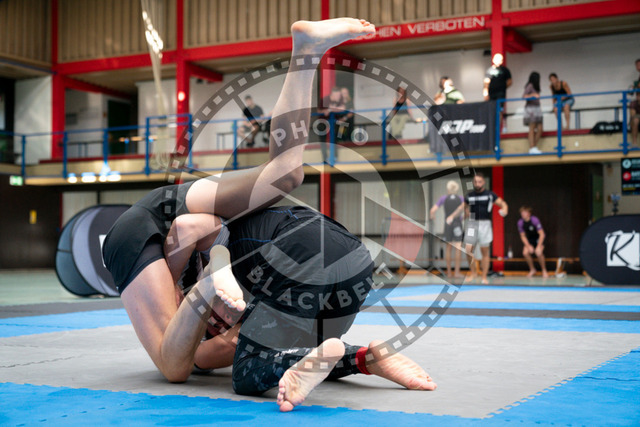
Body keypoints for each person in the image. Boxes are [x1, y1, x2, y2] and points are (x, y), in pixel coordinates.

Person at [102, 18, 378, 385]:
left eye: (222, 324)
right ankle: (306, 54)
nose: (227, 324)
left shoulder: (211, 309)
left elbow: (188, 227)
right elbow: (232, 342)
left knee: (174, 365)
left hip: (156, 224)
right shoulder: (235, 309)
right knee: (287, 173)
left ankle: (306, 52)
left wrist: (191, 282)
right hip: (176, 218)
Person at [222, 205, 437, 411]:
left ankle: (306, 361)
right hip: (355, 257)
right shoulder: (252, 221)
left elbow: (219, 347)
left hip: (300, 251)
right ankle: (366, 358)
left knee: (246, 368)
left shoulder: (221, 248)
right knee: (315, 350)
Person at [448, 172, 508, 284]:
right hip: (472, 224)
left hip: (485, 224)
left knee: (485, 251)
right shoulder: (470, 196)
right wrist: (452, 216)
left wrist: (504, 210)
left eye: (479, 181)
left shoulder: (490, 195)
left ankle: (484, 277)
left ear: (483, 182)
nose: (477, 184)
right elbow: (461, 207)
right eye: (475, 182)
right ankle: (473, 272)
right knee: (468, 249)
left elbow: (503, 204)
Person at [430, 180, 464, 278]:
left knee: (448, 248)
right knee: (458, 248)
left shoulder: (443, 198)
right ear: (456, 189)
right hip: (457, 223)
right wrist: (461, 218)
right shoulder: (461, 198)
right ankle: (457, 272)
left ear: (448, 189)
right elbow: (467, 210)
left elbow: (432, 210)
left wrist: (432, 216)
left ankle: (449, 272)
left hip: (448, 224)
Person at [483, 53, 512, 131]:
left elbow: (509, 81)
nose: (499, 61)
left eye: (500, 59)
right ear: (493, 60)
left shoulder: (505, 70)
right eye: (497, 59)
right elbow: (486, 83)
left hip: (500, 94)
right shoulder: (489, 70)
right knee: (491, 111)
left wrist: (502, 87)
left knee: (499, 111)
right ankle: (492, 129)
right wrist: (485, 93)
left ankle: (498, 129)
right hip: (491, 94)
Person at [517, 206, 548, 278]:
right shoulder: (520, 222)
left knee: (538, 252)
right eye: (521, 213)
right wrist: (528, 246)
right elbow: (523, 236)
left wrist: (538, 246)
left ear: (529, 213)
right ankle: (532, 269)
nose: (522, 214)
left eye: (524, 212)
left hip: (539, 239)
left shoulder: (534, 220)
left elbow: (542, 234)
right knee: (525, 253)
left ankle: (544, 270)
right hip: (530, 240)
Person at [523, 72, 543, 154]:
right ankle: (532, 147)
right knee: (532, 128)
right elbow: (524, 96)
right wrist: (533, 95)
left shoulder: (536, 86)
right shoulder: (530, 85)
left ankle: (534, 146)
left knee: (540, 128)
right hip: (531, 109)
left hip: (537, 109)